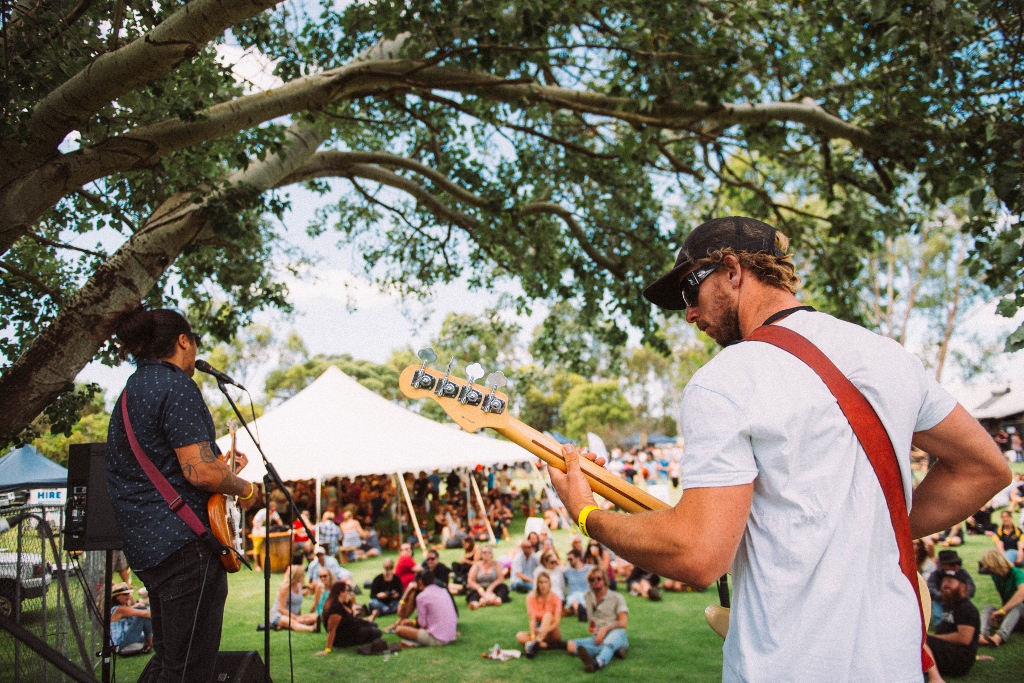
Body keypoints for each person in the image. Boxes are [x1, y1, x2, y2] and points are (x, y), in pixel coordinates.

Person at [548, 216, 1011, 682]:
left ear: (732, 270)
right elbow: (984, 468)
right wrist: (853, 534)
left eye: (690, 294)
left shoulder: (726, 380)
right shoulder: (887, 355)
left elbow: (698, 555)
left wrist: (587, 514)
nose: (689, 314)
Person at [105, 307, 262, 683]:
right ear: (182, 341)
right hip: (185, 547)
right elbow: (200, 471)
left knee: (168, 662)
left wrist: (223, 469)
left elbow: (174, 468)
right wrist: (247, 488)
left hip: (149, 547)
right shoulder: (176, 385)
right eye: (194, 344)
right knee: (189, 669)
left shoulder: (130, 394)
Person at [566, 567, 628, 673]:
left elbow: (623, 623)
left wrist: (606, 629)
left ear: (604, 579)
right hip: (597, 637)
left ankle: (597, 662)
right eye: (592, 579)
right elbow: (577, 604)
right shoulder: (587, 596)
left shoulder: (617, 597)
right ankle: (614, 651)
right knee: (571, 646)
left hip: (616, 633)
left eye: (598, 578)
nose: (595, 581)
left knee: (612, 639)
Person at [924, 569, 980, 682]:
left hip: (959, 662)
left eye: (950, 582)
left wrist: (932, 637)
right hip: (949, 654)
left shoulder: (966, 608)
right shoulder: (950, 605)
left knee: (921, 639)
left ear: (962, 587)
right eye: (944, 581)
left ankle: (936, 678)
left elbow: (964, 639)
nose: (945, 585)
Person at [393, 570, 458, 647]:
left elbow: (423, 625)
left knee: (399, 629)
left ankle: (416, 642)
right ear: (433, 581)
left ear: (420, 582)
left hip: (438, 639)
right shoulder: (443, 591)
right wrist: (412, 623)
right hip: (451, 636)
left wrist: (408, 591)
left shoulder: (421, 597)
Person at [315, 582, 381, 654]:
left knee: (374, 625)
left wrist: (352, 603)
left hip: (353, 627)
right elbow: (331, 630)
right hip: (345, 638)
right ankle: (370, 620)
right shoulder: (335, 608)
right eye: (346, 590)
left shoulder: (342, 603)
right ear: (341, 592)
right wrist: (327, 650)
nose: (348, 593)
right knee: (377, 632)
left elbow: (351, 616)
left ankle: (370, 619)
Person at [977, 549, 1024, 647]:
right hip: (1011, 616)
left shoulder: (1016, 572)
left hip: (1021, 614)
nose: (986, 569)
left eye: (988, 566)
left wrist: (1002, 611)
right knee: (988, 608)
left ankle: (1000, 636)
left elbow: (1022, 593)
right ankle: (982, 634)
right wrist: (1001, 613)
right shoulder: (996, 576)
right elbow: (1005, 598)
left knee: (1018, 606)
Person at [517, 571, 564, 658]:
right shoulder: (531, 597)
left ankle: (534, 645)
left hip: (551, 630)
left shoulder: (556, 598)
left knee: (548, 615)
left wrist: (544, 630)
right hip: (538, 630)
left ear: (549, 584)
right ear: (537, 584)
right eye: (541, 582)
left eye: (546, 582)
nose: (543, 585)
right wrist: (533, 635)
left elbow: (557, 622)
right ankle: (543, 645)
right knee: (520, 636)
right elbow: (532, 619)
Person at [928, 550, 977, 626]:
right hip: (941, 600)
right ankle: (939, 624)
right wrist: (943, 595)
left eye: (958, 563)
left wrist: (960, 595)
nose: (956, 566)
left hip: (959, 600)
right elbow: (930, 588)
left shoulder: (962, 573)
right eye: (952, 564)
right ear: (943, 565)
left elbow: (971, 588)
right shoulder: (937, 574)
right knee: (936, 604)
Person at [270, 565, 318, 632]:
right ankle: (312, 629)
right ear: (297, 576)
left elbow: (298, 604)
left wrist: (300, 617)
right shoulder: (285, 588)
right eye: (302, 576)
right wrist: (296, 618)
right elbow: (282, 609)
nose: (303, 577)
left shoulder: (299, 586)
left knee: (316, 617)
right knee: (292, 622)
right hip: (279, 615)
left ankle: (288, 625)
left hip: (294, 615)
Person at [109, 583, 153, 654]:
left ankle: (153, 641)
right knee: (143, 616)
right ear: (117, 597)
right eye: (125, 595)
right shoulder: (120, 609)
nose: (128, 596)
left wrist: (137, 607)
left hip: (125, 639)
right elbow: (146, 614)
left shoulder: (118, 609)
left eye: (128, 594)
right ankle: (151, 644)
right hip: (120, 645)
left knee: (141, 609)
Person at [466, 544, 509, 609]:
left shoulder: (496, 564)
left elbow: (500, 579)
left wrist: (490, 588)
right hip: (479, 588)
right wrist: (480, 590)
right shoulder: (476, 566)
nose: (487, 554)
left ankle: (494, 600)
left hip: (493, 588)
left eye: (489, 552)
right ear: (481, 554)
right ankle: (476, 602)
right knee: (472, 591)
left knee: (503, 587)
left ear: (492, 554)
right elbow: (471, 581)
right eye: (484, 552)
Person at [563, 550, 591, 621]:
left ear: (578, 558)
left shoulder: (589, 569)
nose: (569, 561)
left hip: (586, 594)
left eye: (571, 559)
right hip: (573, 596)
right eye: (568, 559)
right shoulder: (567, 571)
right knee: (574, 602)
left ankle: (579, 611)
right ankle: (580, 612)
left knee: (583, 603)